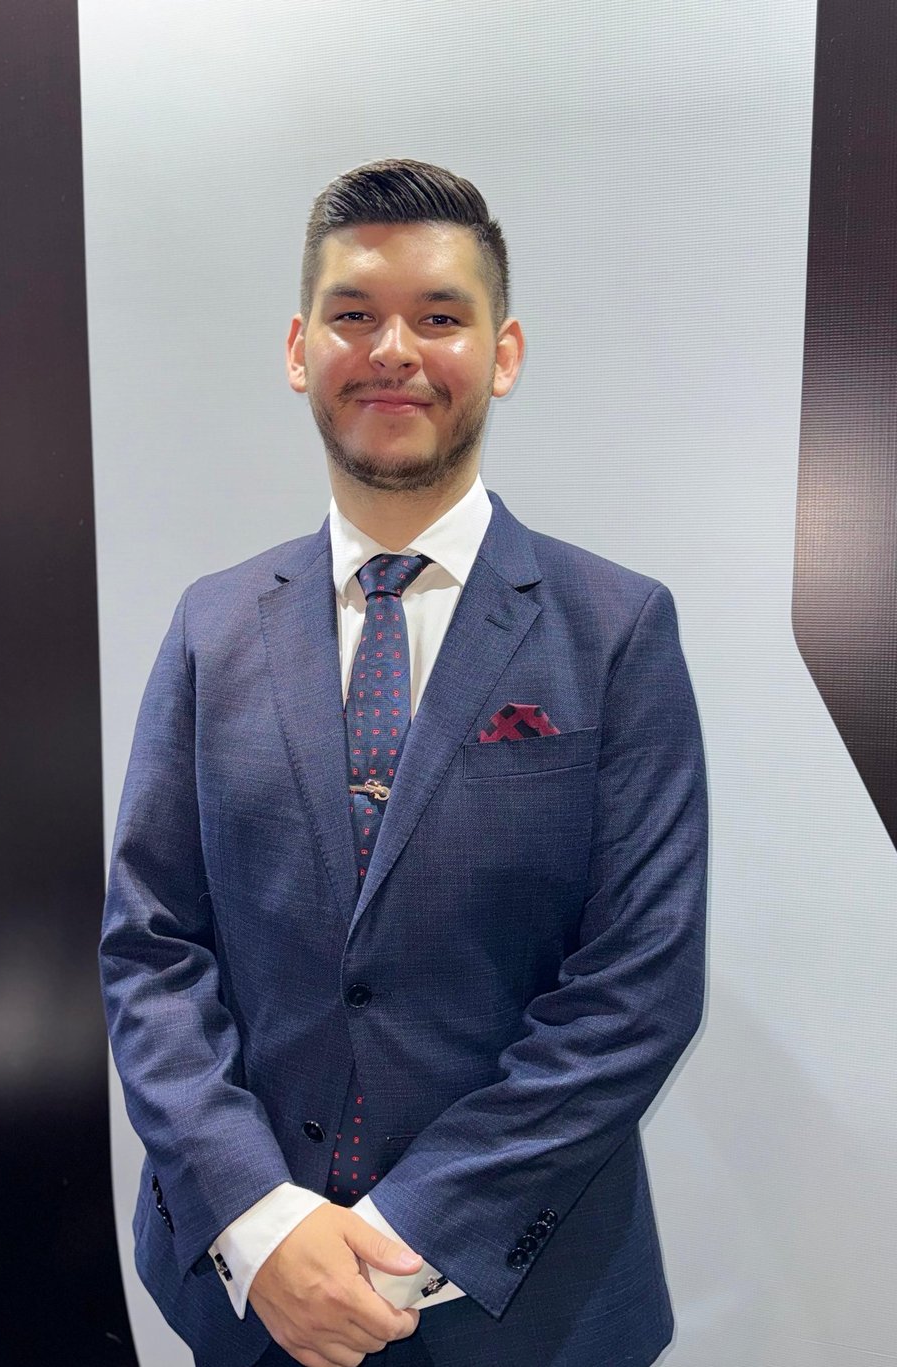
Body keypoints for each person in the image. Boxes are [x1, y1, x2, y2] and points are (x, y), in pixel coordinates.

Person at [100, 158, 708, 1367]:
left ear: (502, 351)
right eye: (353, 314)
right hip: (253, 1293)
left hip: (527, 1303)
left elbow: (637, 985)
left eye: (439, 316)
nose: (393, 350)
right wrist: (261, 1222)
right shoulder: (212, 625)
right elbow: (151, 946)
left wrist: (403, 1231)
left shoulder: (615, 626)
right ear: (298, 348)